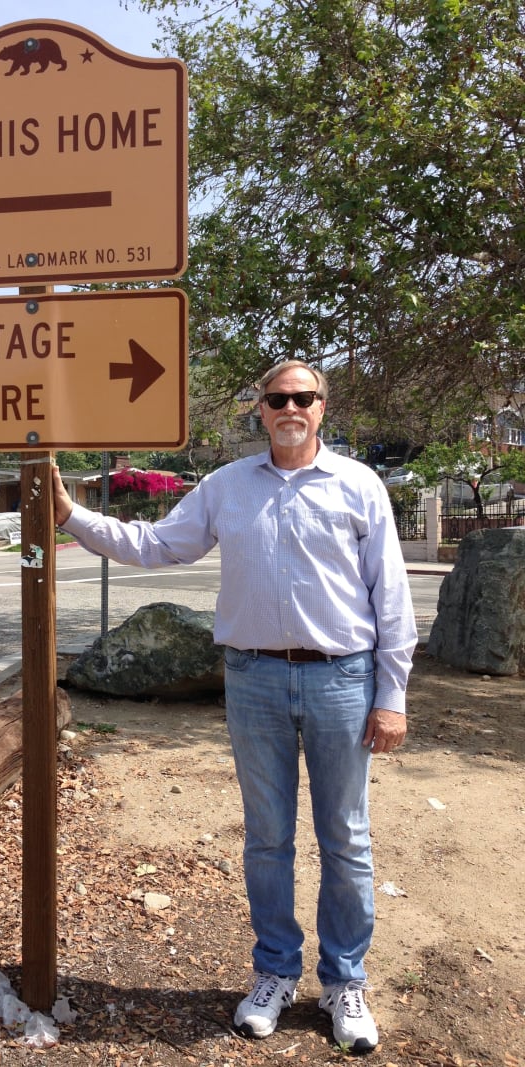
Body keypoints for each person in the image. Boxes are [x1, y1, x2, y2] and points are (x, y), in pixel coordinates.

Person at [52, 359, 417, 1052]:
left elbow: (390, 597)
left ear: (322, 406)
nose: (290, 406)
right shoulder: (226, 487)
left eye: (303, 396)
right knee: (267, 836)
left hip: (342, 679)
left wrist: (391, 695)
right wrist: (71, 516)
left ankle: (344, 980)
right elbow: (158, 544)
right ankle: (275, 971)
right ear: (259, 408)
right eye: (277, 397)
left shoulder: (359, 486)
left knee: (346, 836)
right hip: (252, 680)